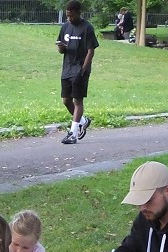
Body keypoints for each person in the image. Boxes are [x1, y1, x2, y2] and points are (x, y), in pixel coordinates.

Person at [56, 0, 98, 145]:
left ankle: (72, 134)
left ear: (79, 13)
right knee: (66, 100)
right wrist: (61, 47)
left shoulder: (87, 28)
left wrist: (83, 69)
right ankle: (83, 121)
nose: (69, 18)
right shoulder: (65, 27)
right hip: (67, 68)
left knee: (77, 101)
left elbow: (90, 51)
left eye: (72, 16)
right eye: (67, 16)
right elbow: (61, 50)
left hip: (80, 69)